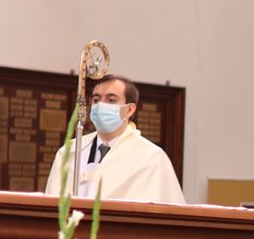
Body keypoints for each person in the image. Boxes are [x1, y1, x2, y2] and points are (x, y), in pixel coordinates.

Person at [45, 75, 184, 204]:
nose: (100, 106)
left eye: (111, 100)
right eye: (96, 100)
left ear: (129, 109)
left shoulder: (152, 158)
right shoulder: (70, 152)